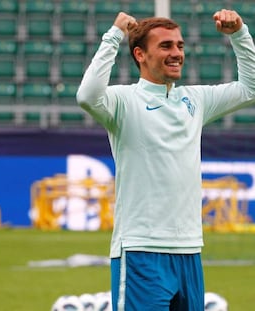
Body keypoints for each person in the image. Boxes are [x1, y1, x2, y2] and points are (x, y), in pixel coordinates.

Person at [76, 9, 255, 311]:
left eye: (180, 46)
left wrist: (239, 34)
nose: (176, 53)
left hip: (189, 250)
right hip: (141, 249)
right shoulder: (124, 100)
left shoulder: (195, 100)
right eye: (166, 46)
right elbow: (86, 96)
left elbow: (250, 88)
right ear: (140, 54)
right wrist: (114, 35)